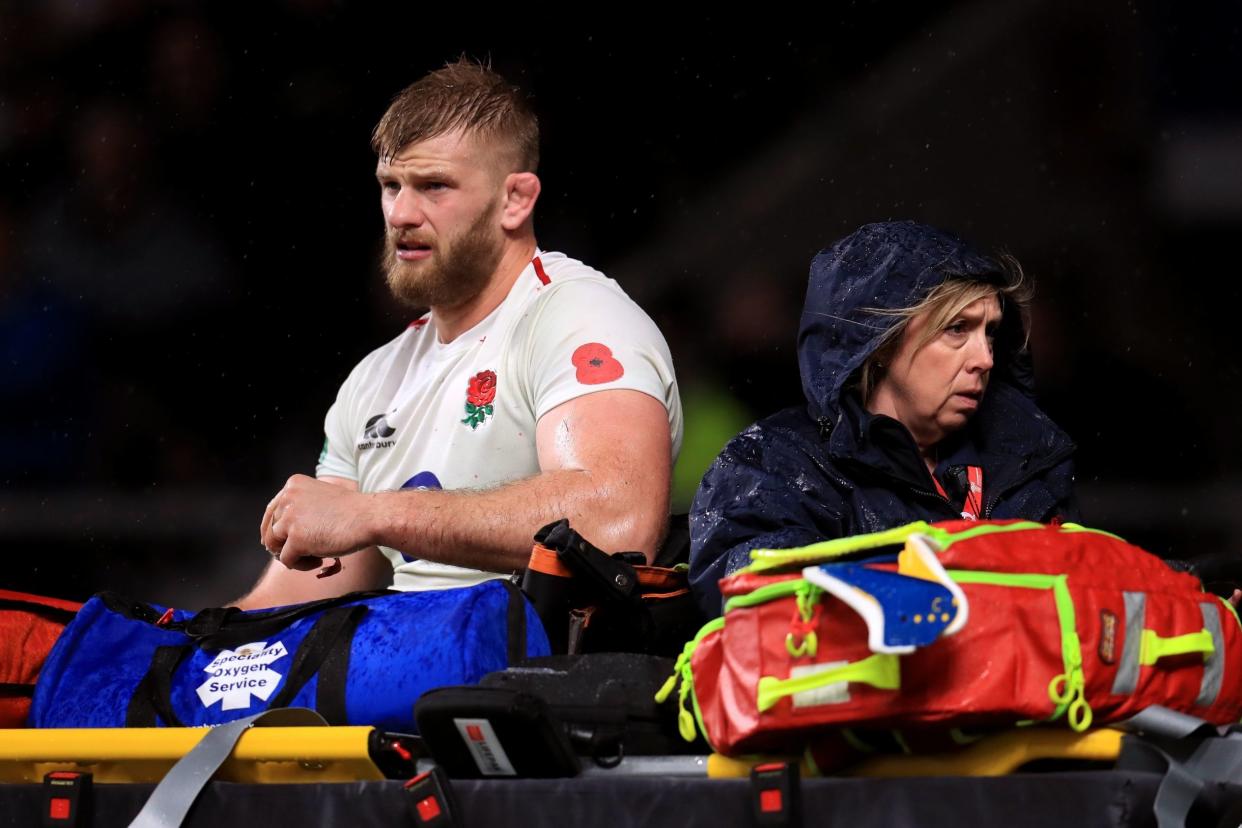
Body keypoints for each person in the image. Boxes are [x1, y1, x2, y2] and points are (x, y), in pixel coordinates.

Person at [239, 61, 682, 609]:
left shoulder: (579, 317)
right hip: (411, 675)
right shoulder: (375, 376)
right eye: (391, 186)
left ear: (515, 199)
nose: (401, 213)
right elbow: (310, 578)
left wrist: (376, 512)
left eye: (434, 186)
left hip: (547, 683)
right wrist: (179, 648)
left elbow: (618, 520)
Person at [689, 220, 1076, 616]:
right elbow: (759, 611)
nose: (985, 358)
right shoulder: (773, 467)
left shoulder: (1026, 456)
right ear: (881, 341)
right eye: (957, 329)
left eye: (990, 332)